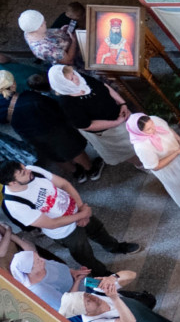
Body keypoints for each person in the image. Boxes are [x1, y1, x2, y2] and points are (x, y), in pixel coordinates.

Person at [3, 161, 136, 270]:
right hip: (64, 231)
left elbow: (64, 184)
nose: (28, 170)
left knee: (98, 230)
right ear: (12, 183)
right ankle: (101, 273)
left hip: (78, 210)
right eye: (23, 173)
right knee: (84, 254)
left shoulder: (32, 170)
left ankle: (115, 247)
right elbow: (52, 224)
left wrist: (81, 208)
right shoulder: (15, 205)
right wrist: (82, 214)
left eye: (24, 167)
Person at [0, 73, 100, 181]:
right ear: (12, 85)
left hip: (30, 136)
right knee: (74, 150)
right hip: (52, 130)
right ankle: (91, 170)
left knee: (54, 155)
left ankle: (77, 173)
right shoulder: (30, 98)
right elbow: (55, 108)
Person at [47, 65, 133, 167]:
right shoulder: (67, 103)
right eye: (71, 79)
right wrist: (117, 122)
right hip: (109, 132)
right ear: (63, 84)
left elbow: (103, 86)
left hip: (120, 115)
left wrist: (122, 103)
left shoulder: (81, 78)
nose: (76, 78)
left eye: (73, 74)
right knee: (130, 151)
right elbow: (86, 125)